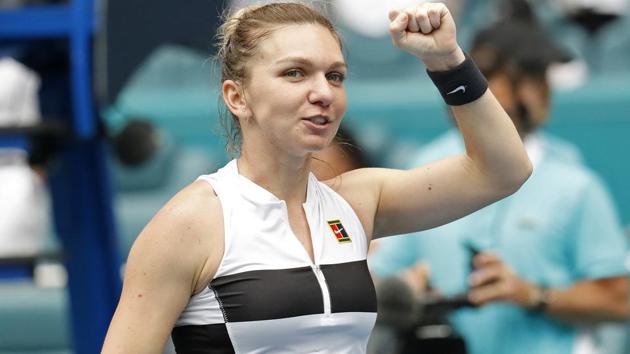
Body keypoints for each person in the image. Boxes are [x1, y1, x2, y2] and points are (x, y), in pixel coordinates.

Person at [101, 2, 532, 353]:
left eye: (335, 76)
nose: (323, 91)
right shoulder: (189, 223)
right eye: (295, 73)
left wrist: (446, 61)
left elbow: (505, 170)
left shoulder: (359, 200)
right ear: (238, 97)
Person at [368, 5, 630, 354]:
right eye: (527, 76)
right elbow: (380, 276)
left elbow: (620, 301)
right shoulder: (426, 165)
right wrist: (407, 292)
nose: (540, 91)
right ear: (480, 76)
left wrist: (531, 294)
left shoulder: (575, 183)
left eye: (542, 77)